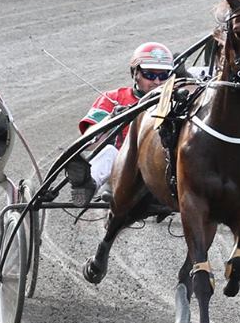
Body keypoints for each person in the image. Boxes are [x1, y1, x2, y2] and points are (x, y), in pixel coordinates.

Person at [66, 42, 176, 203]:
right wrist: (110, 119)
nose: (157, 82)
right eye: (150, 75)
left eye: (164, 75)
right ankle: (86, 186)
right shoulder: (113, 98)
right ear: (135, 73)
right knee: (109, 151)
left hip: (161, 169)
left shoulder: (176, 100)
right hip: (122, 171)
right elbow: (88, 142)